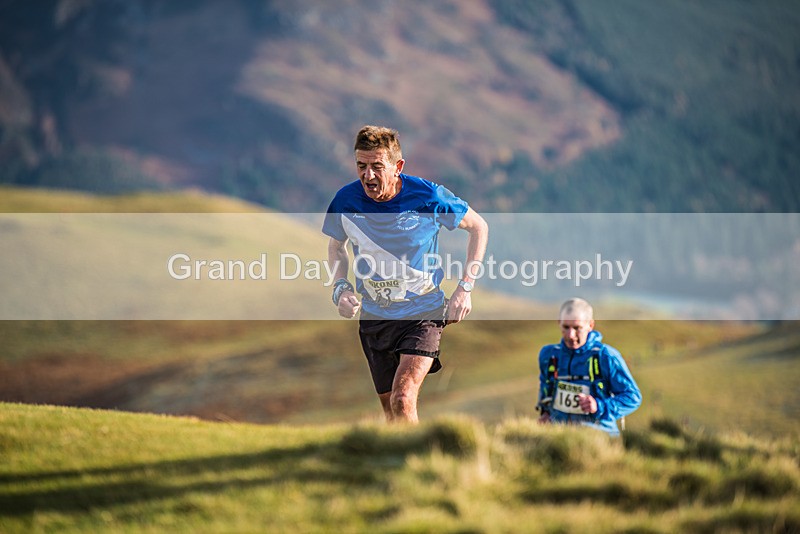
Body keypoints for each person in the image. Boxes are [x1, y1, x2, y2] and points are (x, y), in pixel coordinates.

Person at [323, 125, 488, 423]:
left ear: (397, 167)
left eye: (377, 167)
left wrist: (465, 288)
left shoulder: (427, 195)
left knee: (402, 398)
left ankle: (422, 454)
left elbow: (478, 227)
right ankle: (404, 452)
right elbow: (336, 247)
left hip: (423, 312)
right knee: (391, 415)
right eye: (361, 166)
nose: (368, 176)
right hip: (375, 317)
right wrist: (341, 288)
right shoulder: (345, 200)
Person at [537, 298, 641, 436]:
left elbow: (633, 397)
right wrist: (545, 413)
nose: (571, 335)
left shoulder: (606, 356)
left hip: (599, 437)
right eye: (566, 327)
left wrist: (599, 406)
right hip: (559, 437)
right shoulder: (548, 355)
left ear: (590, 325)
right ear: (559, 323)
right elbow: (546, 388)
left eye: (577, 328)